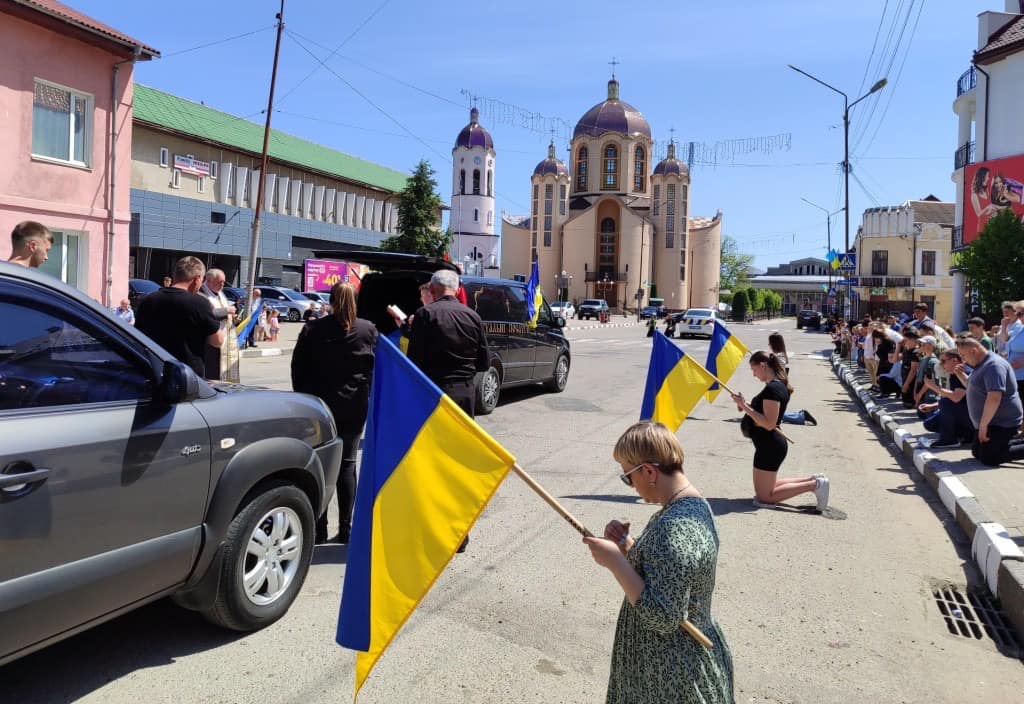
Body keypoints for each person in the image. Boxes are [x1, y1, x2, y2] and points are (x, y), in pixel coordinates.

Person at [583, 421, 733, 704]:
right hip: (668, 669)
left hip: (670, 677)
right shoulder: (693, 505)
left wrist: (616, 561)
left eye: (629, 476)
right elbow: (671, 573)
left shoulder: (675, 528)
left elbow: (664, 616)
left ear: (649, 471)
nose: (631, 485)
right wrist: (629, 547)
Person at [407, 269, 489, 552]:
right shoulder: (473, 316)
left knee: (432, 466)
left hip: (433, 396)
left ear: (432, 287)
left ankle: (433, 530)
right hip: (464, 398)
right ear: (457, 288)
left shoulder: (426, 316)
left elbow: (412, 362)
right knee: (458, 466)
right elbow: (482, 362)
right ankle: (460, 535)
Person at [291, 282, 378, 544]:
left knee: (321, 464)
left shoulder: (313, 329)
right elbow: (374, 370)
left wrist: (304, 399)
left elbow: (298, 369)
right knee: (348, 464)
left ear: (330, 300)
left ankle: (319, 528)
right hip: (354, 406)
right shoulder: (368, 330)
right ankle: (347, 528)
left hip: (319, 408)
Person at [730, 351, 829, 510]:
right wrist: (745, 404)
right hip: (768, 445)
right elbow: (764, 412)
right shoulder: (775, 386)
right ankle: (814, 480)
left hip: (770, 446)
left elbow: (769, 423)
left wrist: (745, 407)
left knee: (764, 497)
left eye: (754, 370)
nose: (754, 375)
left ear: (762, 366)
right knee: (769, 489)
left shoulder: (773, 389)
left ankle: (815, 485)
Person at [136, 256, 224, 378]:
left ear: (176, 275)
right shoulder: (199, 303)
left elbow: (138, 337)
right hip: (187, 377)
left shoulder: (148, 300)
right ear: (197, 278)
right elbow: (217, 341)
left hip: (154, 372)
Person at [954, 336, 1024, 466]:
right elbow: (975, 388)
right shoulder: (980, 364)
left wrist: (983, 425)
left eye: (963, 355)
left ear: (974, 351)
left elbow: (994, 397)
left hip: (1002, 421)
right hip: (990, 421)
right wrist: (961, 376)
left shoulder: (993, 366)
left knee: (990, 458)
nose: (962, 359)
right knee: (977, 452)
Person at [920, 348, 975, 448]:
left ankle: (949, 440)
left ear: (954, 360)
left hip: (976, 417)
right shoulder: (954, 373)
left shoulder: (964, 371)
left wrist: (933, 386)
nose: (941, 364)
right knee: (930, 424)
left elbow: (956, 397)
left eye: (943, 361)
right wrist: (933, 406)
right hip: (966, 413)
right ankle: (965, 435)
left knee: (945, 403)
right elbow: (955, 397)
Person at [767, 331, 817, 425]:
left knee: (770, 414)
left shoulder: (777, 358)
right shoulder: (781, 356)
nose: (768, 345)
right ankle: (800, 415)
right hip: (782, 388)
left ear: (774, 344)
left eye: (770, 342)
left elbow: (776, 373)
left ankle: (801, 416)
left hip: (779, 390)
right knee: (772, 413)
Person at [200, 269, 237, 380]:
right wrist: (226, 311)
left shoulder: (220, 292)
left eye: (223, 282)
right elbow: (208, 313)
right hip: (211, 341)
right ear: (209, 280)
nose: (222, 285)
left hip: (226, 338)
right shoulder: (201, 293)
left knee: (224, 372)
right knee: (213, 373)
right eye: (219, 282)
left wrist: (232, 317)